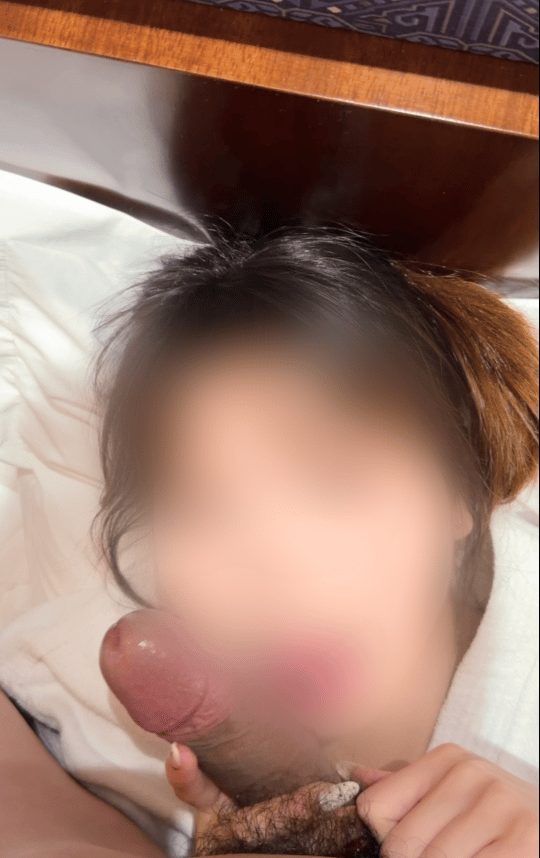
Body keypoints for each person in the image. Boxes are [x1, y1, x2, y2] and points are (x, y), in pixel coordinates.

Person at [1, 227, 538, 856]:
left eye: (338, 481)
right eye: (198, 506)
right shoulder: (91, 715)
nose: (273, 565)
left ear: (460, 494)